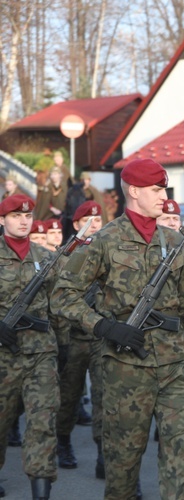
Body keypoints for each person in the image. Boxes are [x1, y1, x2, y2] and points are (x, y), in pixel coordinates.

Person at [51, 158, 184, 499]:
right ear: (135, 191)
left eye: (164, 189)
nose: (164, 196)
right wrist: (105, 326)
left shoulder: (175, 241)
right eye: (157, 190)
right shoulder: (105, 240)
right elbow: (63, 296)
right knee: (123, 465)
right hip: (125, 368)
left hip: (176, 365)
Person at [0, 194, 60, 500]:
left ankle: (41, 491)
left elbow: (61, 304)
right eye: (15, 215)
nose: (23, 221)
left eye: (27, 216)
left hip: (41, 354)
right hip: (3, 356)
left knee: (42, 422)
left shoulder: (46, 257)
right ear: (2, 220)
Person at [54, 201, 104, 475]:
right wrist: (60, 342)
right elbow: (58, 301)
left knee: (102, 396)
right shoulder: (63, 256)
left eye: (98, 220)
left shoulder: (108, 251)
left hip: (100, 336)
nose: (95, 224)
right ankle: (63, 442)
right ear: (76, 225)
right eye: (89, 220)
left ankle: (102, 454)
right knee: (69, 396)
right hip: (73, 338)